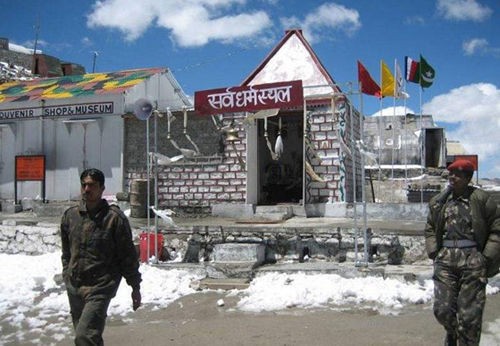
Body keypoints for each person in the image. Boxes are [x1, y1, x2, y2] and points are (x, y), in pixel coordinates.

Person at [60, 168, 142, 345]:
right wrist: (67, 273)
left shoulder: (114, 219)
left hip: (100, 287)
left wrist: (135, 286)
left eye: (92, 185)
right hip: (75, 286)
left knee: (84, 336)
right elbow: (66, 252)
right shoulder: (70, 216)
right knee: (90, 338)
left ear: (102, 188)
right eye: (84, 185)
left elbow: (127, 256)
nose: (87, 189)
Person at [425, 159, 500, 345]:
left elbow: (497, 228)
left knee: (470, 316)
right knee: (442, 309)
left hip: (472, 259)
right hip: (446, 259)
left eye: (457, 174)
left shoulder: (481, 199)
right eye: (451, 173)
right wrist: (434, 251)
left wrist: (486, 257)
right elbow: (430, 227)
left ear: (468, 178)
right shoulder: (440, 201)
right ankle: (453, 333)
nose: (452, 177)